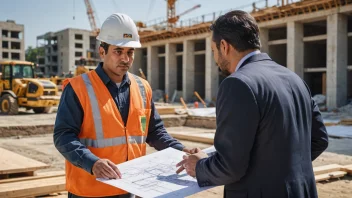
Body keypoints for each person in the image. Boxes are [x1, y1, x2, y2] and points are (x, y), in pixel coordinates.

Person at [176, 10, 329, 198]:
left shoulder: (237, 84)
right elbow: (319, 140)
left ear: (224, 46)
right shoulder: (294, 79)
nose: (215, 58)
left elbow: (231, 166)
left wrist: (199, 167)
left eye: (214, 51)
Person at [54, 13, 195, 198]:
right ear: (102, 52)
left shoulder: (143, 87)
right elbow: (63, 136)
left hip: (130, 189)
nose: (125, 59)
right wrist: (92, 163)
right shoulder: (78, 88)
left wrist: (182, 150)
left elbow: (155, 132)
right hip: (89, 191)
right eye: (118, 51)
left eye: (130, 52)